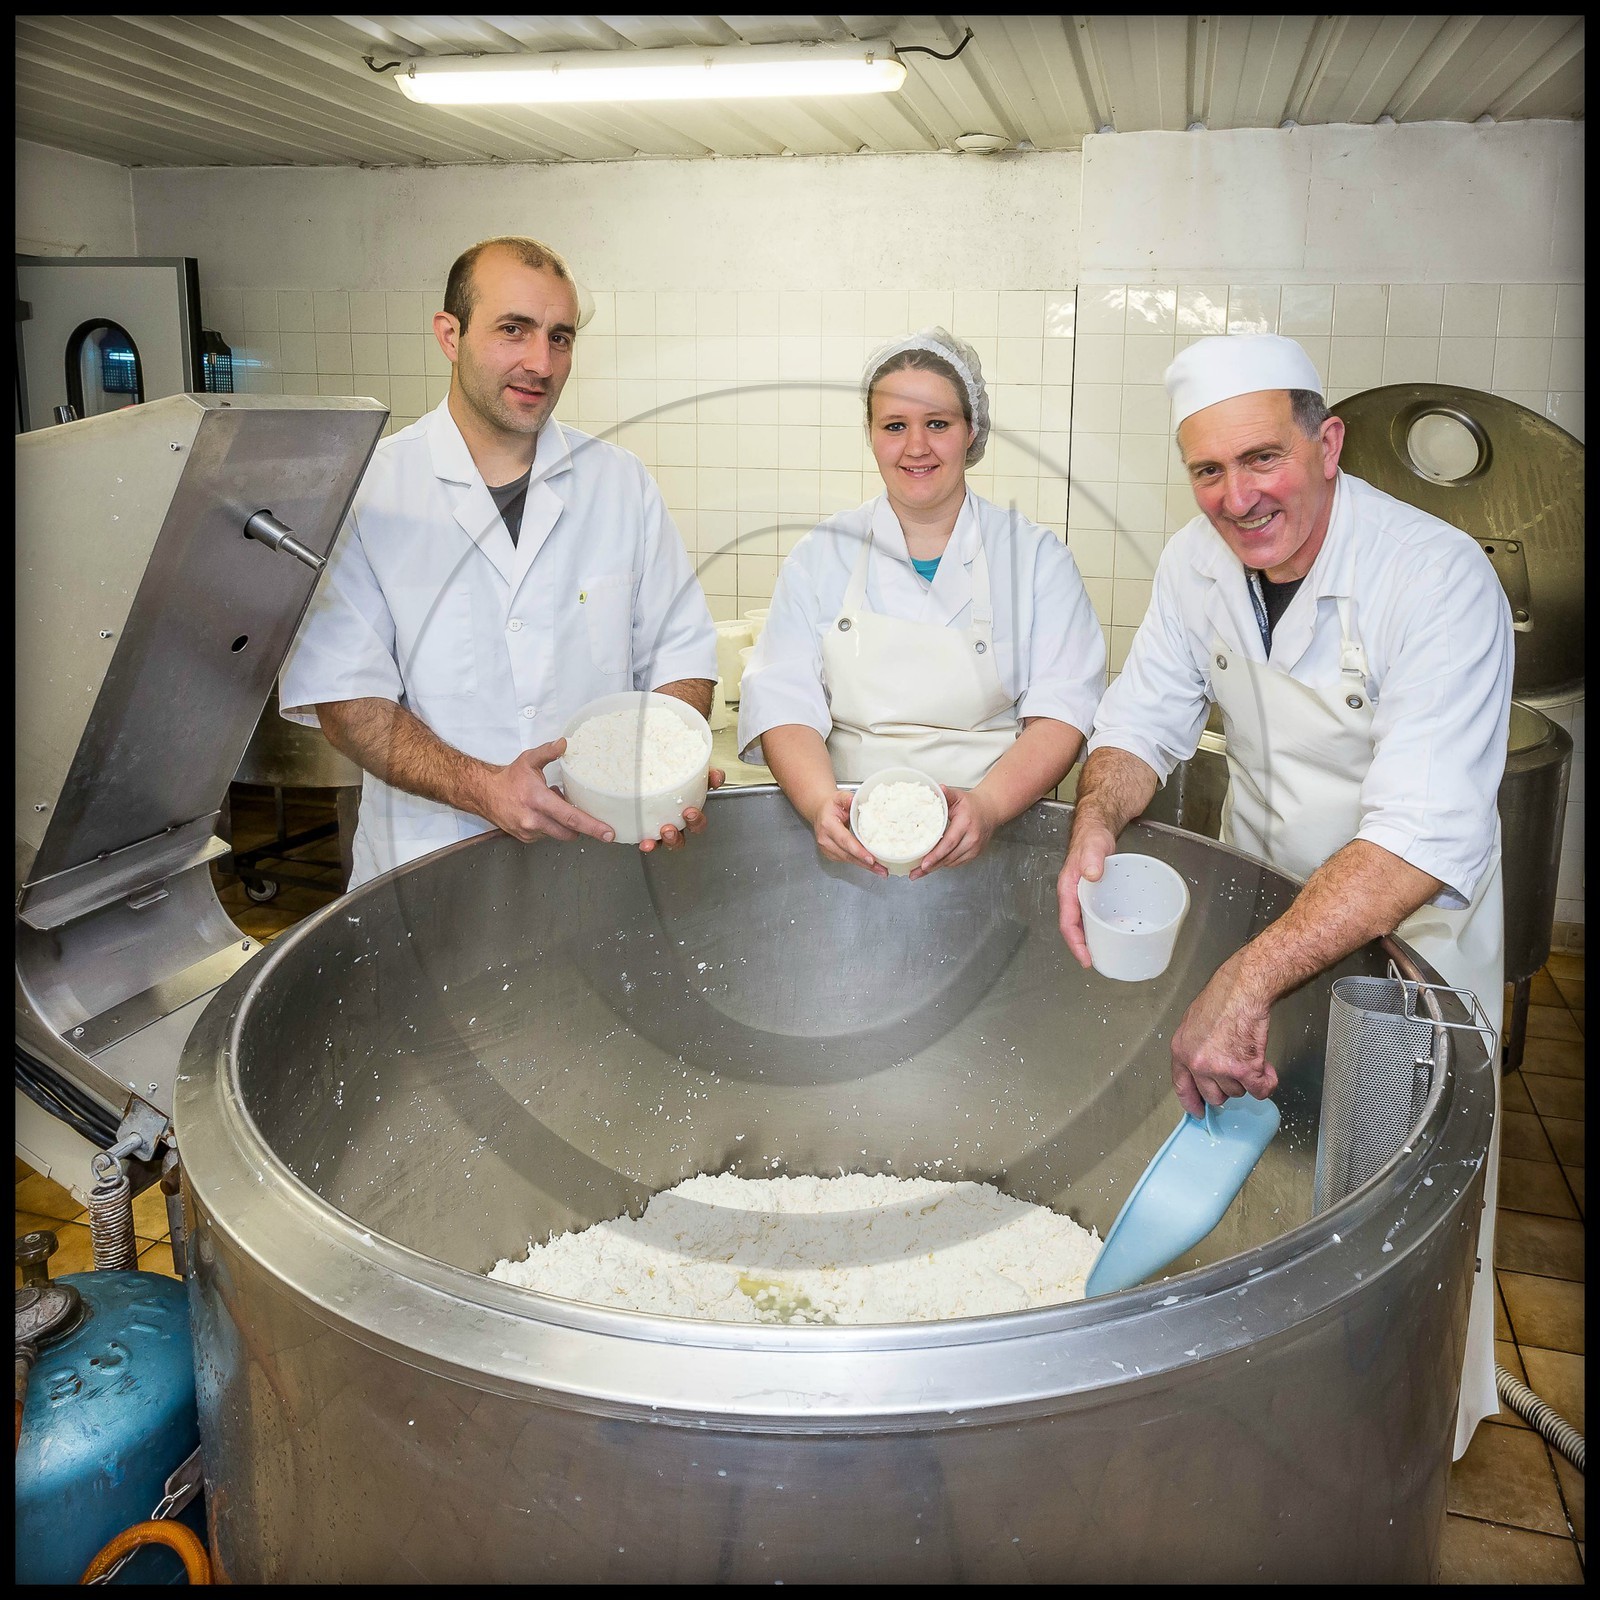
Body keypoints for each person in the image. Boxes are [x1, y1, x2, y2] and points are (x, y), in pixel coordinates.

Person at [1055, 332, 1511, 1459]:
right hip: (1263, 909)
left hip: (1406, 950)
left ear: (1327, 443)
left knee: (1390, 1212)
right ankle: (1261, 1421)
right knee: (1268, 1171)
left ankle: (1396, 1441)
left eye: (1261, 458)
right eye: (1206, 470)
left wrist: (1246, 977)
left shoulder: (1434, 577)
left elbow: (1413, 838)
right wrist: (1095, 823)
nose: (1236, 496)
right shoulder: (1193, 565)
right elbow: (1139, 722)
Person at [280, 236, 720, 887]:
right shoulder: (369, 491)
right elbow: (348, 701)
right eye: (513, 330)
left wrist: (663, 766)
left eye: (560, 337)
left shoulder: (619, 484)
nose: (539, 362)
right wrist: (486, 788)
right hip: (429, 868)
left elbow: (681, 654)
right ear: (450, 335)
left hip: (597, 859)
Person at [737, 328, 1105, 877]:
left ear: (971, 430)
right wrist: (820, 805)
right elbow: (783, 702)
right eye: (894, 426)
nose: (916, 446)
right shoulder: (821, 555)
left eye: (938, 423)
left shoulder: (1035, 558)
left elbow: (1061, 713)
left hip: (995, 833)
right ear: (871, 434)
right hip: (849, 836)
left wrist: (986, 808)